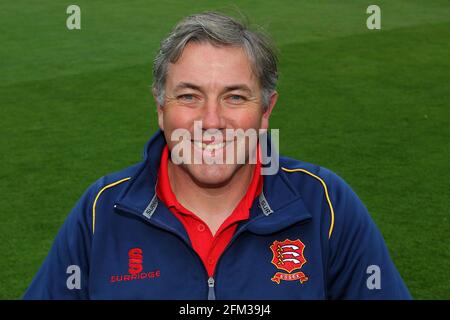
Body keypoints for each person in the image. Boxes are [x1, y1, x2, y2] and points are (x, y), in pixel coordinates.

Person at [23, 12, 411, 300]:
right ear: (160, 109)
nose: (211, 121)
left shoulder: (326, 204)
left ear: (266, 111)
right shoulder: (103, 210)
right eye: (189, 96)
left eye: (235, 97)